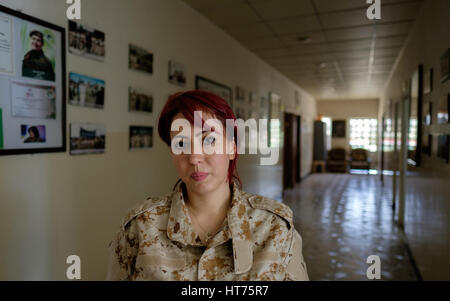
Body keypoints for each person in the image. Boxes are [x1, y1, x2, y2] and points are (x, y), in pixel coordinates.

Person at [106, 90, 309, 281]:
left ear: (232, 147)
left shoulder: (275, 228)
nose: (194, 157)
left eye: (209, 140)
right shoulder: (140, 227)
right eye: (181, 143)